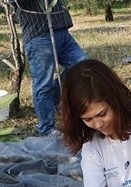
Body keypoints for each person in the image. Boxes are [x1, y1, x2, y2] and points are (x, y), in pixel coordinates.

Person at [13, 0, 87, 136]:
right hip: (40, 35)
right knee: (43, 84)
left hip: (62, 31)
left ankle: (53, 97)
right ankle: (46, 129)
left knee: (85, 67)